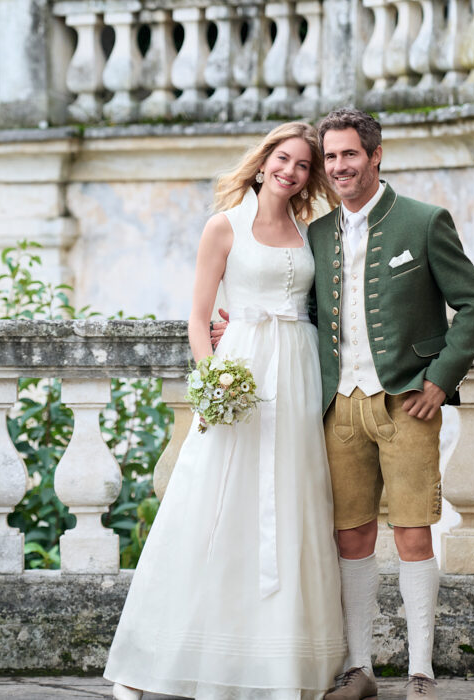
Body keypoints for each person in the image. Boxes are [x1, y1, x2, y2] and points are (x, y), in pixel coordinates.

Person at [217, 109, 474, 699]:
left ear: (375, 155)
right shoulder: (314, 233)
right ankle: (359, 669)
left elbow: (473, 306)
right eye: (331, 157)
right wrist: (232, 328)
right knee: (351, 537)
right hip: (337, 406)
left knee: (414, 534)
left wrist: (441, 379)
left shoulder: (423, 222)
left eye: (349, 155)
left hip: (406, 402)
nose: (339, 167)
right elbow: (296, 308)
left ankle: (421, 671)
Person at [104, 122, 346, 700]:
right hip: (241, 370)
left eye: (303, 165)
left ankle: (279, 667)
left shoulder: (310, 232)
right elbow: (198, 315)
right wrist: (212, 377)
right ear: (263, 163)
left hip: (297, 372)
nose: (291, 171)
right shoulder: (224, 225)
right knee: (207, 502)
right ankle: (146, 663)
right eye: (282, 159)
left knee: (291, 504)